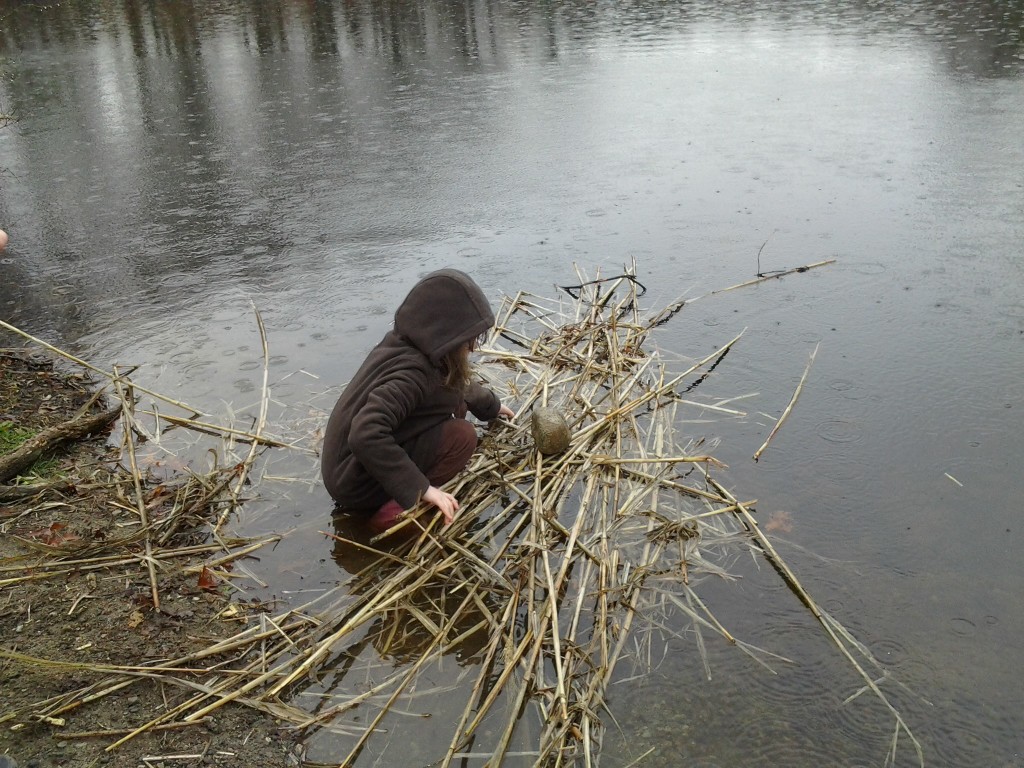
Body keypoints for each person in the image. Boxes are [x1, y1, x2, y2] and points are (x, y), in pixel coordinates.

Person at [321, 268, 514, 532]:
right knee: (462, 437)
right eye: (468, 340)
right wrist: (421, 489)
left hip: (348, 467)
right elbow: (365, 433)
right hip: (353, 480)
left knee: (454, 403)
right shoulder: (411, 375)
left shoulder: (413, 346)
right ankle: (393, 514)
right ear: (446, 334)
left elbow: (458, 386)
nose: (473, 348)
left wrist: (492, 407)